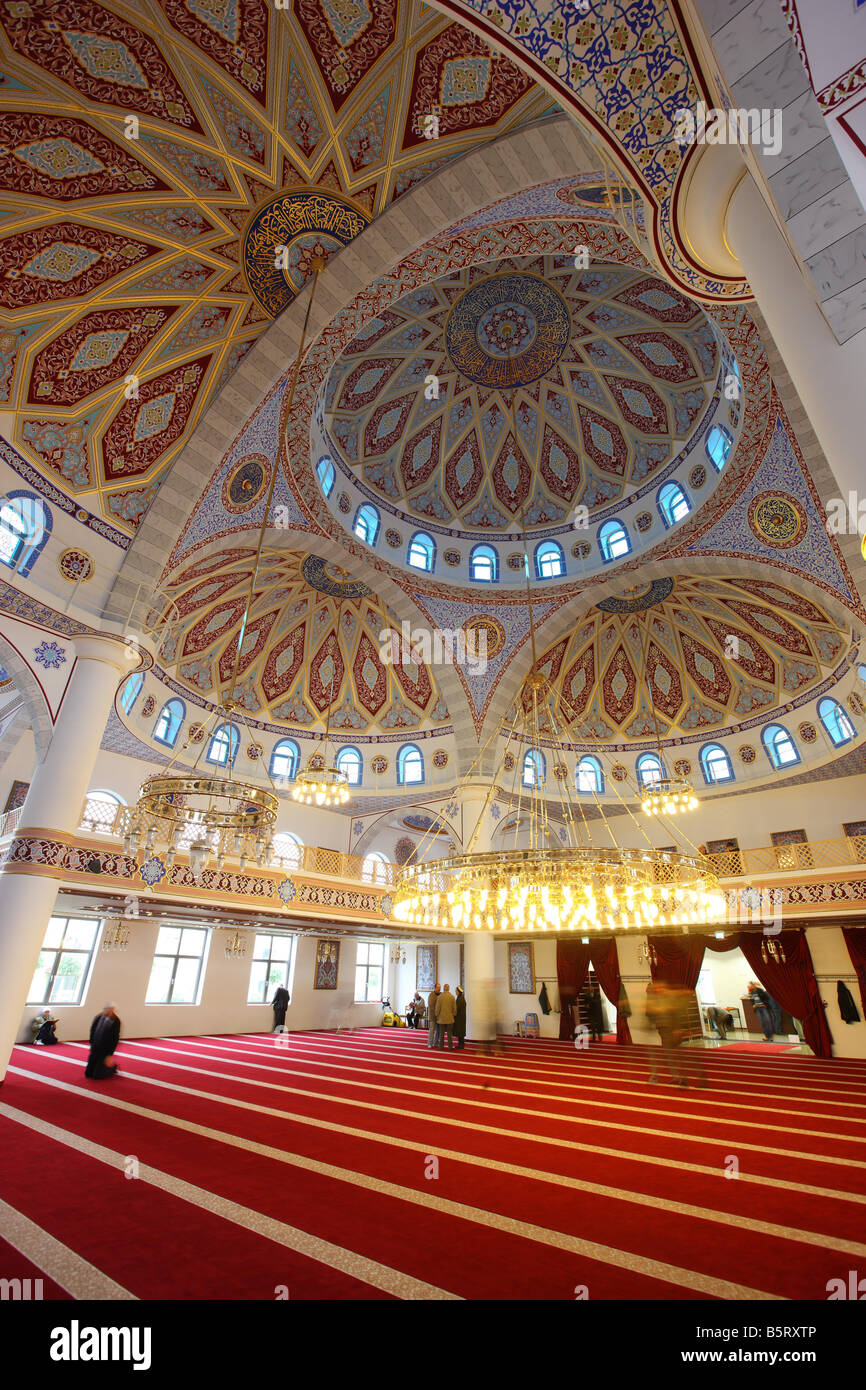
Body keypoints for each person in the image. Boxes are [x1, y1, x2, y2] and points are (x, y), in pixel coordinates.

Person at [85, 1004, 121, 1080]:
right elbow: (92, 1031)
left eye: (109, 1010)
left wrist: (109, 1055)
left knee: (97, 1076)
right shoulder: (98, 1017)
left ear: (112, 1011)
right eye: (106, 1009)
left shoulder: (116, 1021)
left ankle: (112, 1068)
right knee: (88, 1074)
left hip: (105, 1050)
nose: (107, 1011)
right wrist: (91, 1043)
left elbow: (115, 1039)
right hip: (95, 1047)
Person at [436, 983, 457, 1050]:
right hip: (450, 1018)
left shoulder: (440, 997)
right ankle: (450, 1047)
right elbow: (454, 1008)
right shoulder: (452, 997)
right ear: (449, 989)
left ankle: (441, 1046)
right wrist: (454, 1014)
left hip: (441, 1018)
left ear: (443, 988)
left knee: (441, 1033)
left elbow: (437, 1008)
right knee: (449, 1034)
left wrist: (437, 1015)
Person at [427, 983, 441, 1048]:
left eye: (440, 988)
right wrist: (437, 1012)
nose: (439, 989)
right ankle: (430, 1043)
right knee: (432, 1030)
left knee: (438, 1031)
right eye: (438, 988)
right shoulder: (431, 995)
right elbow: (431, 1005)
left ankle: (435, 1043)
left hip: (439, 1016)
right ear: (435, 988)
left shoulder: (441, 994)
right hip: (433, 1015)